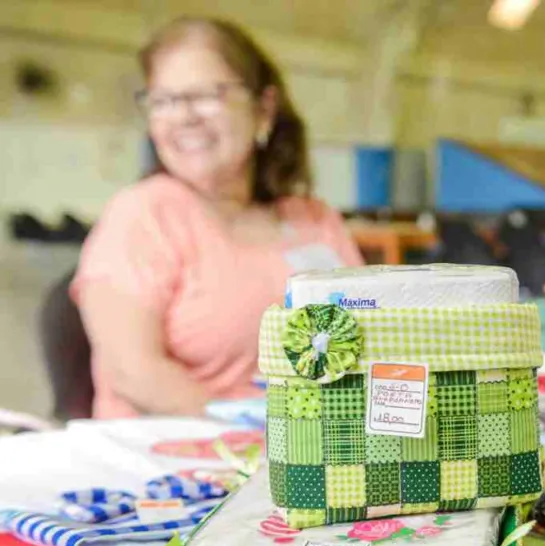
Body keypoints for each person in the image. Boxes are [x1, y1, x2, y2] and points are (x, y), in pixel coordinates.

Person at [72, 17, 363, 419]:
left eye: (206, 95)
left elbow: (372, 336)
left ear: (264, 108)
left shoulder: (315, 218)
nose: (184, 116)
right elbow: (134, 373)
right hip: (182, 460)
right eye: (163, 100)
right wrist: (263, 434)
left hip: (320, 448)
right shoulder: (141, 215)